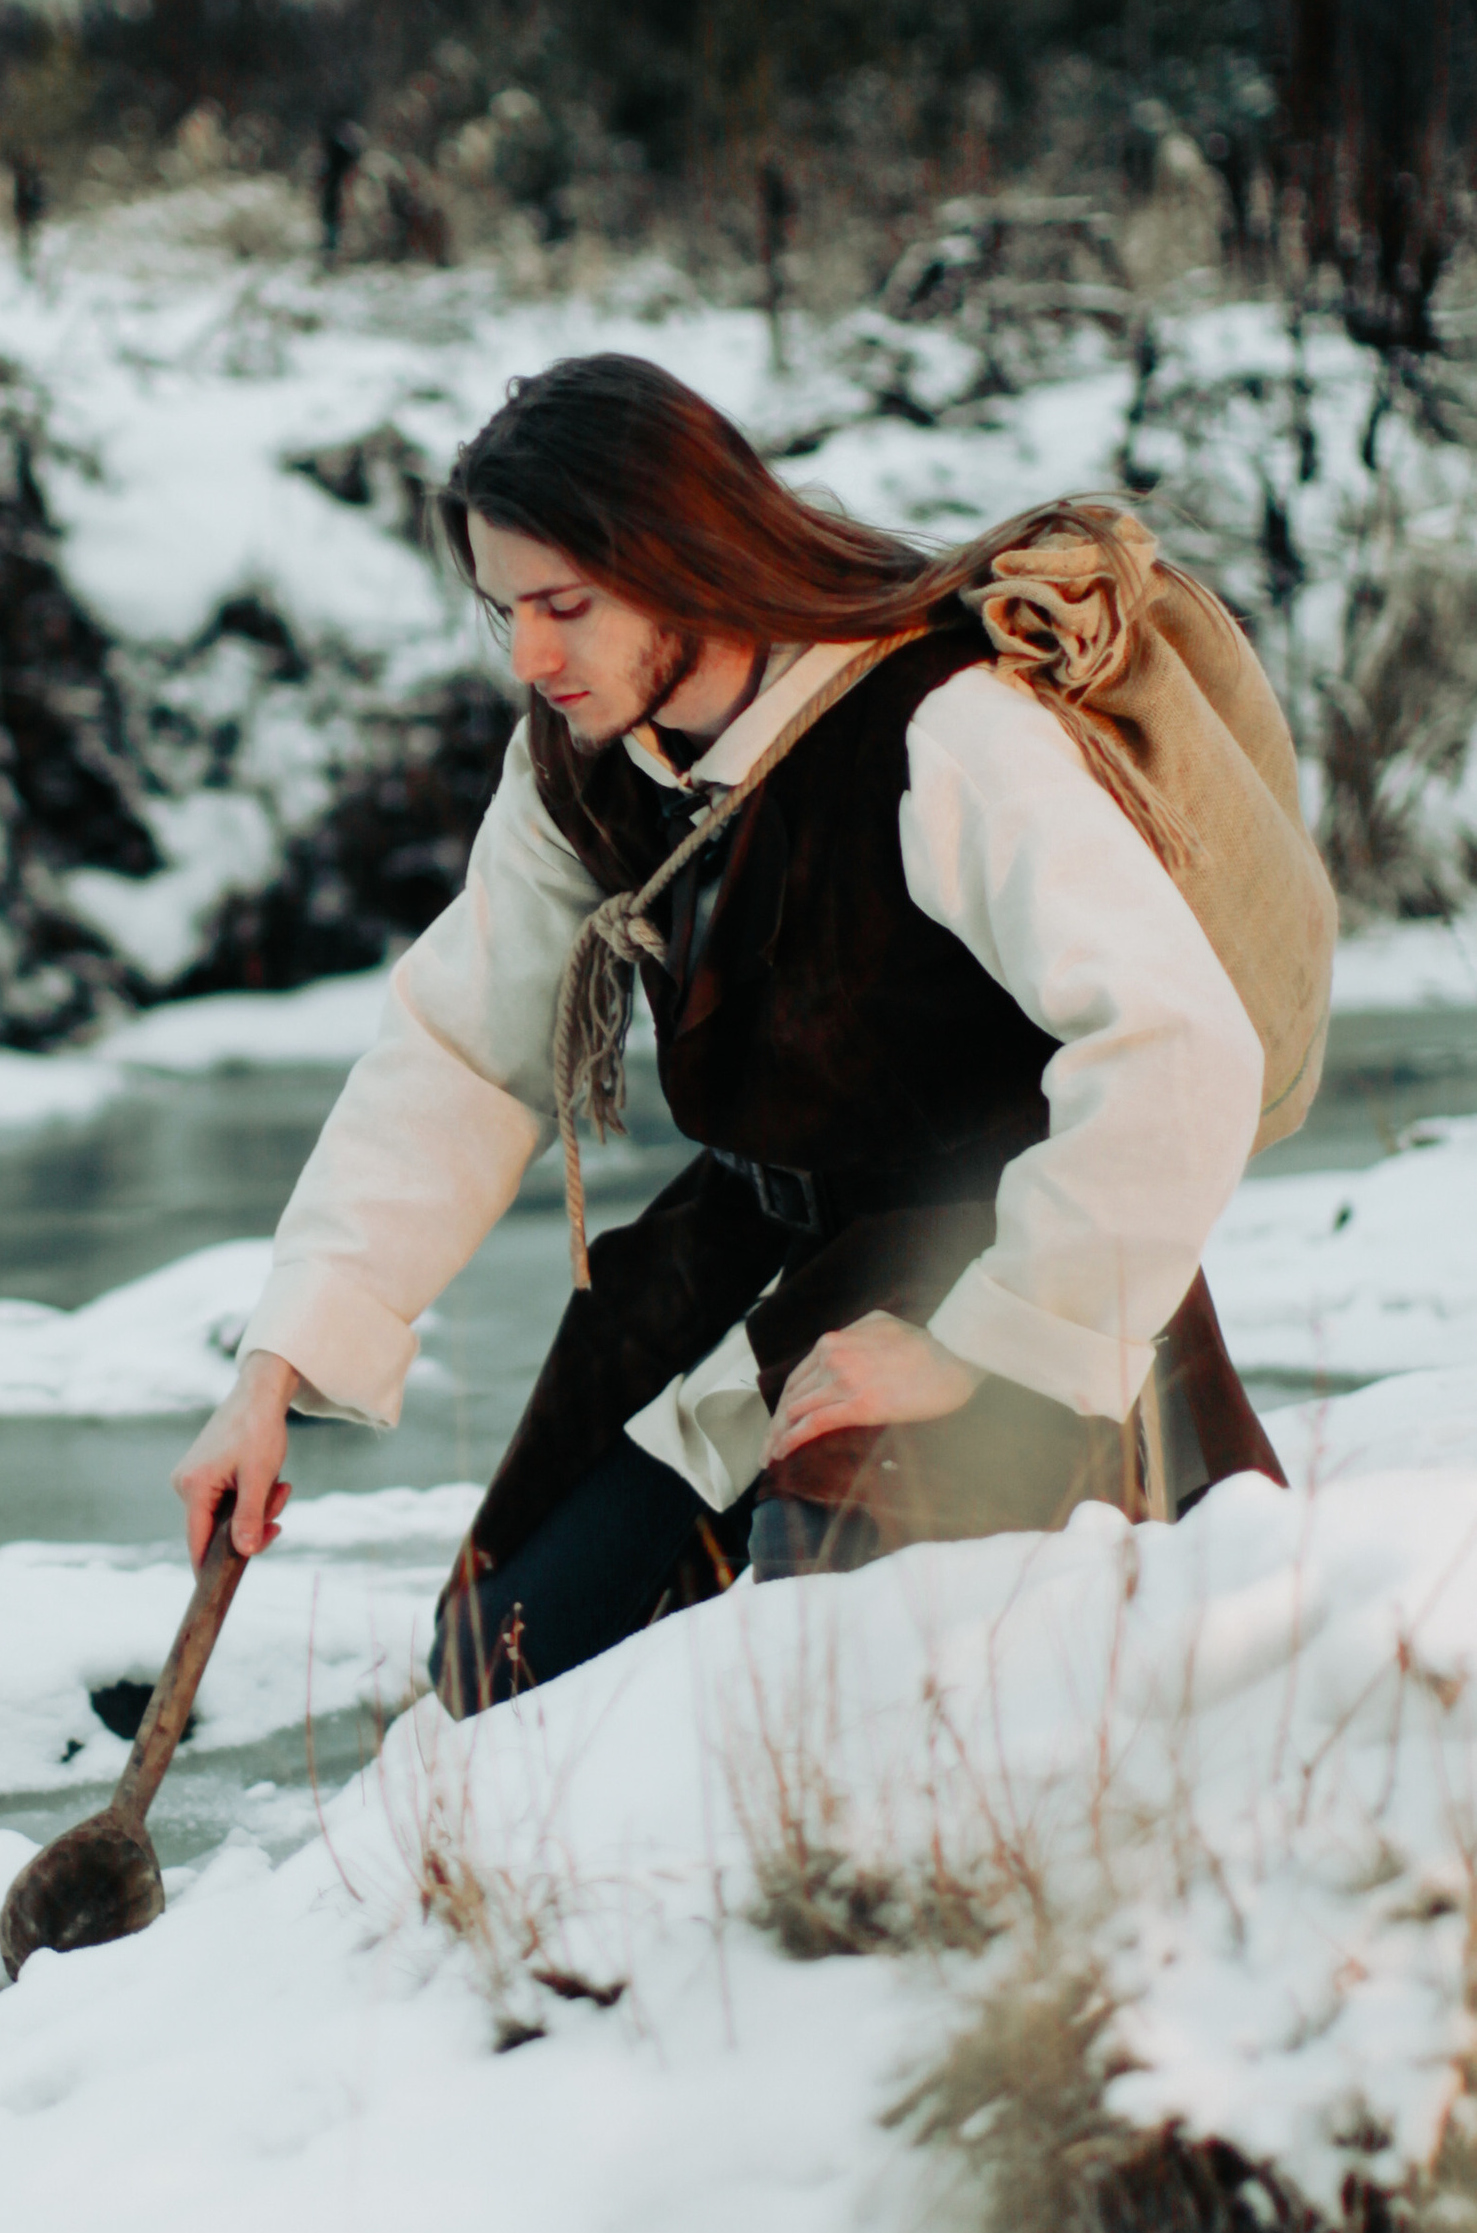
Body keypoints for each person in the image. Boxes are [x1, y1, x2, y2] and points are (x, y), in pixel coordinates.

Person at [171, 353, 1313, 1713]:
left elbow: (1178, 1047)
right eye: (505, 611)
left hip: (1006, 1258)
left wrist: (981, 1341)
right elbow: (460, 1050)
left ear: (687, 558)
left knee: (824, 1664)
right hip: (751, 1257)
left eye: (566, 606)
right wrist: (274, 1369)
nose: (532, 658)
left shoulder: (941, 725)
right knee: (503, 1671)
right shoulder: (586, 755)